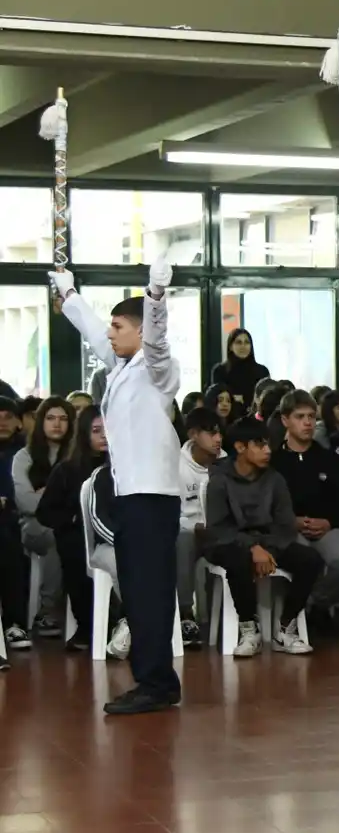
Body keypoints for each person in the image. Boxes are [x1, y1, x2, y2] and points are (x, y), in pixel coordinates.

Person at [52, 262, 183, 716]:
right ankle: (153, 679)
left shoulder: (158, 368)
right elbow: (92, 333)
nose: (109, 333)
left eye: (118, 325)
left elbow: (158, 340)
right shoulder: (122, 367)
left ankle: (157, 683)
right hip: (130, 495)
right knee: (138, 589)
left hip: (151, 496)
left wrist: (155, 296)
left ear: (140, 330)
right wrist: (69, 295)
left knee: (149, 591)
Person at [203, 417, 323, 657]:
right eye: (260, 444)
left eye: (268, 444)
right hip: (229, 543)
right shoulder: (219, 480)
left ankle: (285, 629)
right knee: (238, 560)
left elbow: (285, 525)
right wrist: (252, 547)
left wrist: (264, 547)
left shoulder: (275, 479)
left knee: (311, 560)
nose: (268, 450)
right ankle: (249, 629)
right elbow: (219, 528)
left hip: (270, 542)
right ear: (240, 447)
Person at [271, 390, 339, 629]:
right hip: (288, 529)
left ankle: (314, 605)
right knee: (306, 558)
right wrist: (292, 521)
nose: (307, 422)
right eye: (300, 417)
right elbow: (267, 506)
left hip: (327, 527)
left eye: (311, 416)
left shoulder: (330, 459)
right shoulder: (273, 462)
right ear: (285, 420)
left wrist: (328, 522)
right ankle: (300, 615)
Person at [36, 407, 110, 652]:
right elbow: (45, 512)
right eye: (97, 430)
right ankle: (87, 626)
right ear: (84, 434)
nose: (104, 436)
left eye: (108, 430)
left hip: (116, 537)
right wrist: (74, 519)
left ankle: (120, 625)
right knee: (73, 546)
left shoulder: (125, 468)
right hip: (78, 538)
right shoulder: (67, 470)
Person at [11, 396, 75, 641]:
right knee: (55, 535)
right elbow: (25, 502)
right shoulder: (24, 457)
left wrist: (46, 494)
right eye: (50, 418)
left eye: (63, 418)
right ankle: (47, 610)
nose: (57, 424)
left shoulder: (77, 455)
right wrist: (57, 499)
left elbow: (82, 500)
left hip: (72, 523)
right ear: (40, 422)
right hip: (34, 525)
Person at [176, 408, 223, 648]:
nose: (218, 439)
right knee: (182, 541)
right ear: (193, 434)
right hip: (189, 531)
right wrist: (195, 526)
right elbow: (172, 514)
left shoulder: (225, 462)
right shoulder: (176, 465)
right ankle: (186, 614)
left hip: (220, 530)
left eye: (219, 433)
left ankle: (238, 617)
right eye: (211, 433)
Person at [0, 397, 29, 651]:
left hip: (17, 518)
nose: (2, 422)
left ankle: (14, 622)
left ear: (19, 422)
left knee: (9, 542)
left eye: (8, 416)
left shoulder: (27, 452)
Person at [209, 328, 271, 412]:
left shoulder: (262, 371)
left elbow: (266, 400)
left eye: (247, 342)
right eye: (239, 342)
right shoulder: (220, 371)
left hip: (255, 417)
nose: (243, 346)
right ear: (230, 346)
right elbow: (217, 399)